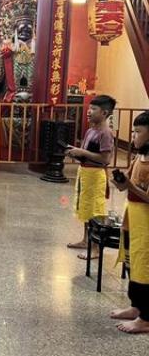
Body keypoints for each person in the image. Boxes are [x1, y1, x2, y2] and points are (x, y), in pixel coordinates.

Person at [110, 111, 149, 334]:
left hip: (146, 220)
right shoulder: (138, 158)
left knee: (145, 264)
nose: (133, 136)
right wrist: (120, 181)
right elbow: (128, 181)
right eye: (133, 131)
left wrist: (131, 186)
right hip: (132, 216)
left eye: (138, 132)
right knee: (133, 260)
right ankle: (136, 306)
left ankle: (146, 318)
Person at [65, 95, 116, 260]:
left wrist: (82, 152)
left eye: (94, 109)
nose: (89, 111)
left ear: (105, 113)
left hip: (95, 175)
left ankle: (95, 248)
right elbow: (87, 153)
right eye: (89, 108)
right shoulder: (90, 130)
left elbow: (105, 159)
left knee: (95, 210)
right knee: (85, 207)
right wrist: (76, 152)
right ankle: (86, 240)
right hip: (85, 173)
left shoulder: (106, 133)